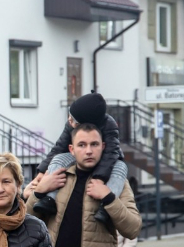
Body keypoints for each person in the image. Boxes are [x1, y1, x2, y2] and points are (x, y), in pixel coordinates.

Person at [30, 93, 128, 228]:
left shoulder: (109, 126)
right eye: (69, 116)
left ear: (87, 123)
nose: (69, 120)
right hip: (80, 158)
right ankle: (49, 199)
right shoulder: (71, 124)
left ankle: (105, 208)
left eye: (73, 120)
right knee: (59, 158)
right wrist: (41, 173)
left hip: (107, 159)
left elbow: (111, 153)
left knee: (121, 167)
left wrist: (99, 178)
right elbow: (59, 147)